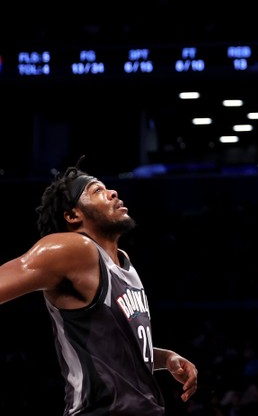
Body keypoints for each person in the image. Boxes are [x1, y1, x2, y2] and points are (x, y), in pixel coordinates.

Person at [0, 162, 198, 415]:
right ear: (73, 216)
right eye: (96, 191)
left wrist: (165, 358)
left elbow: (117, 349)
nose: (112, 192)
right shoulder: (73, 249)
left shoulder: (122, 262)